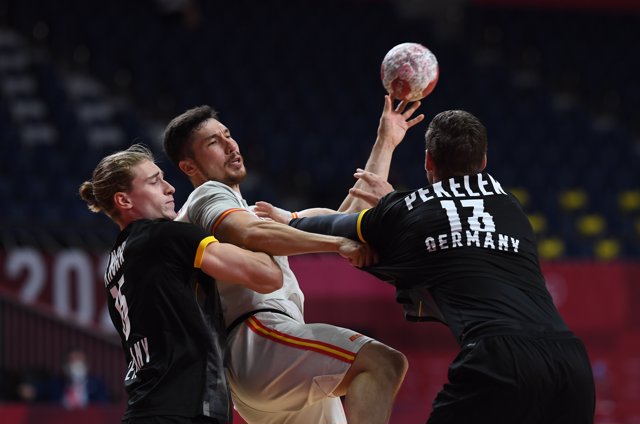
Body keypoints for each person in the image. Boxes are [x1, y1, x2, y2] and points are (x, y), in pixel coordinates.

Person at [258, 110, 596, 423]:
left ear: (428, 160)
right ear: (484, 161)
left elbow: (338, 224)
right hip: (572, 366)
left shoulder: (408, 211)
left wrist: (289, 219)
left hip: (500, 360)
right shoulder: (511, 207)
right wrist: (392, 203)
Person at [162, 96, 421, 424]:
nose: (229, 145)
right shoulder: (206, 196)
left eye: (228, 134)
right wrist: (336, 244)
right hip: (257, 339)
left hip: (264, 366)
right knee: (383, 363)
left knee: (379, 368)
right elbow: (250, 235)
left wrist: (385, 141)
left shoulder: (255, 211)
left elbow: (347, 217)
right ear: (190, 167)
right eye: (214, 142)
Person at [78, 143, 284, 424]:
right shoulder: (164, 235)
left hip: (150, 406)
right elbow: (267, 277)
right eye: (155, 181)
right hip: (181, 409)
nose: (170, 187)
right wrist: (256, 230)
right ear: (124, 201)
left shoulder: (117, 259)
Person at [45, 348, 110, 409]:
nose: (76, 364)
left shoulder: (97, 384)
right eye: (72, 360)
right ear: (65, 365)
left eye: (79, 360)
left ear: (86, 364)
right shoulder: (55, 384)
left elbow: (103, 405)